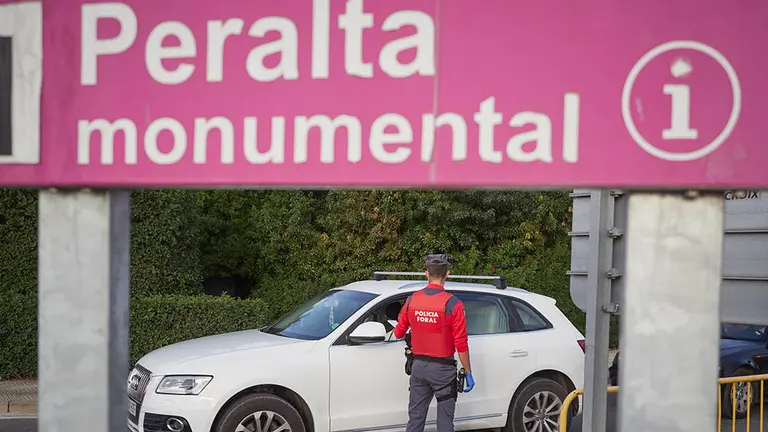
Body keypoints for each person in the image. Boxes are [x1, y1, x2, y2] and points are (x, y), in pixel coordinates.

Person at [393, 254, 475, 432]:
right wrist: (468, 371)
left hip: (418, 368)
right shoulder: (453, 303)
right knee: (445, 423)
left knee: (415, 420)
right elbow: (461, 343)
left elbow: (398, 333)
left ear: (426, 273)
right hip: (443, 371)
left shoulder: (412, 300)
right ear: (447, 274)